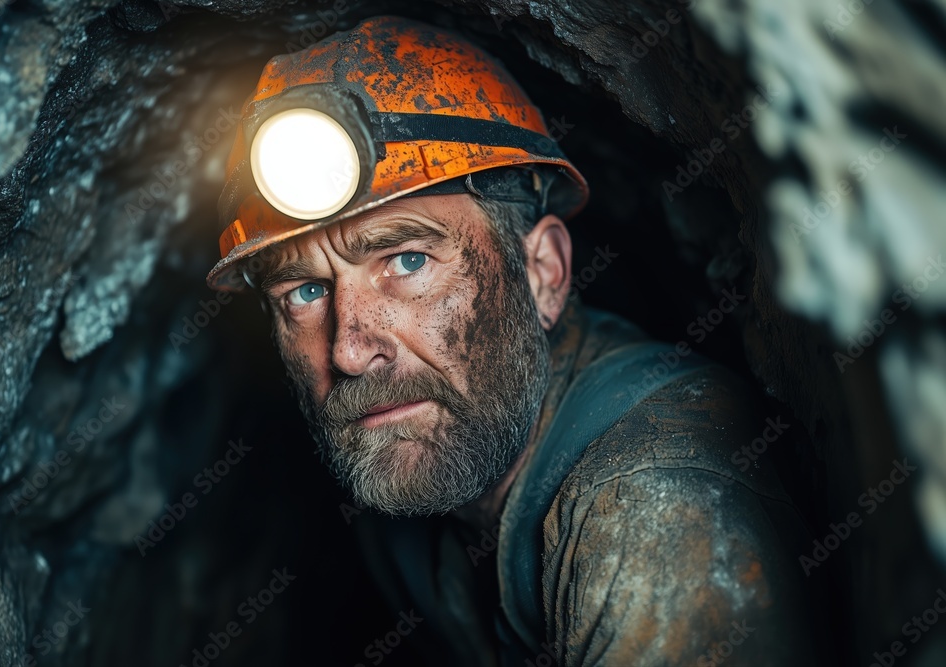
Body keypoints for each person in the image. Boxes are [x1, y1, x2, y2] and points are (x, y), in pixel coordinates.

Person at [206, 15, 822, 666]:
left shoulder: (660, 512)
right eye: (304, 292)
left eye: (408, 260)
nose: (350, 350)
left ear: (543, 273)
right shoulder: (402, 504)